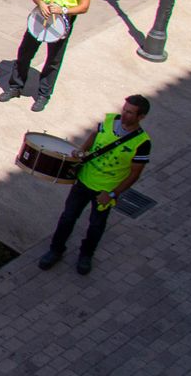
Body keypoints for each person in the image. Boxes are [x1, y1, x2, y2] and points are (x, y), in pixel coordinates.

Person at [40, 95, 152, 276]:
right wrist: (82, 150)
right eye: (124, 109)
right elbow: (94, 134)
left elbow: (134, 174)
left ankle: (86, 255)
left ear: (141, 117)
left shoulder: (142, 143)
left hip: (105, 191)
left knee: (96, 226)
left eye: (130, 113)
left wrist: (113, 194)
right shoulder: (109, 121)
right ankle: (56, 249)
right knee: (68, 217)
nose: (124, 114)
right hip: (84, 181)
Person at [0, 0, 92, 112]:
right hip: (41, 16)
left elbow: (84, 6)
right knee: (25, 52)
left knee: (53, 60)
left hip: (61, 22)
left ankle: (43, 95)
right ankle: (15, 86)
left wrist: (63, 10)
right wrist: (41, 3)